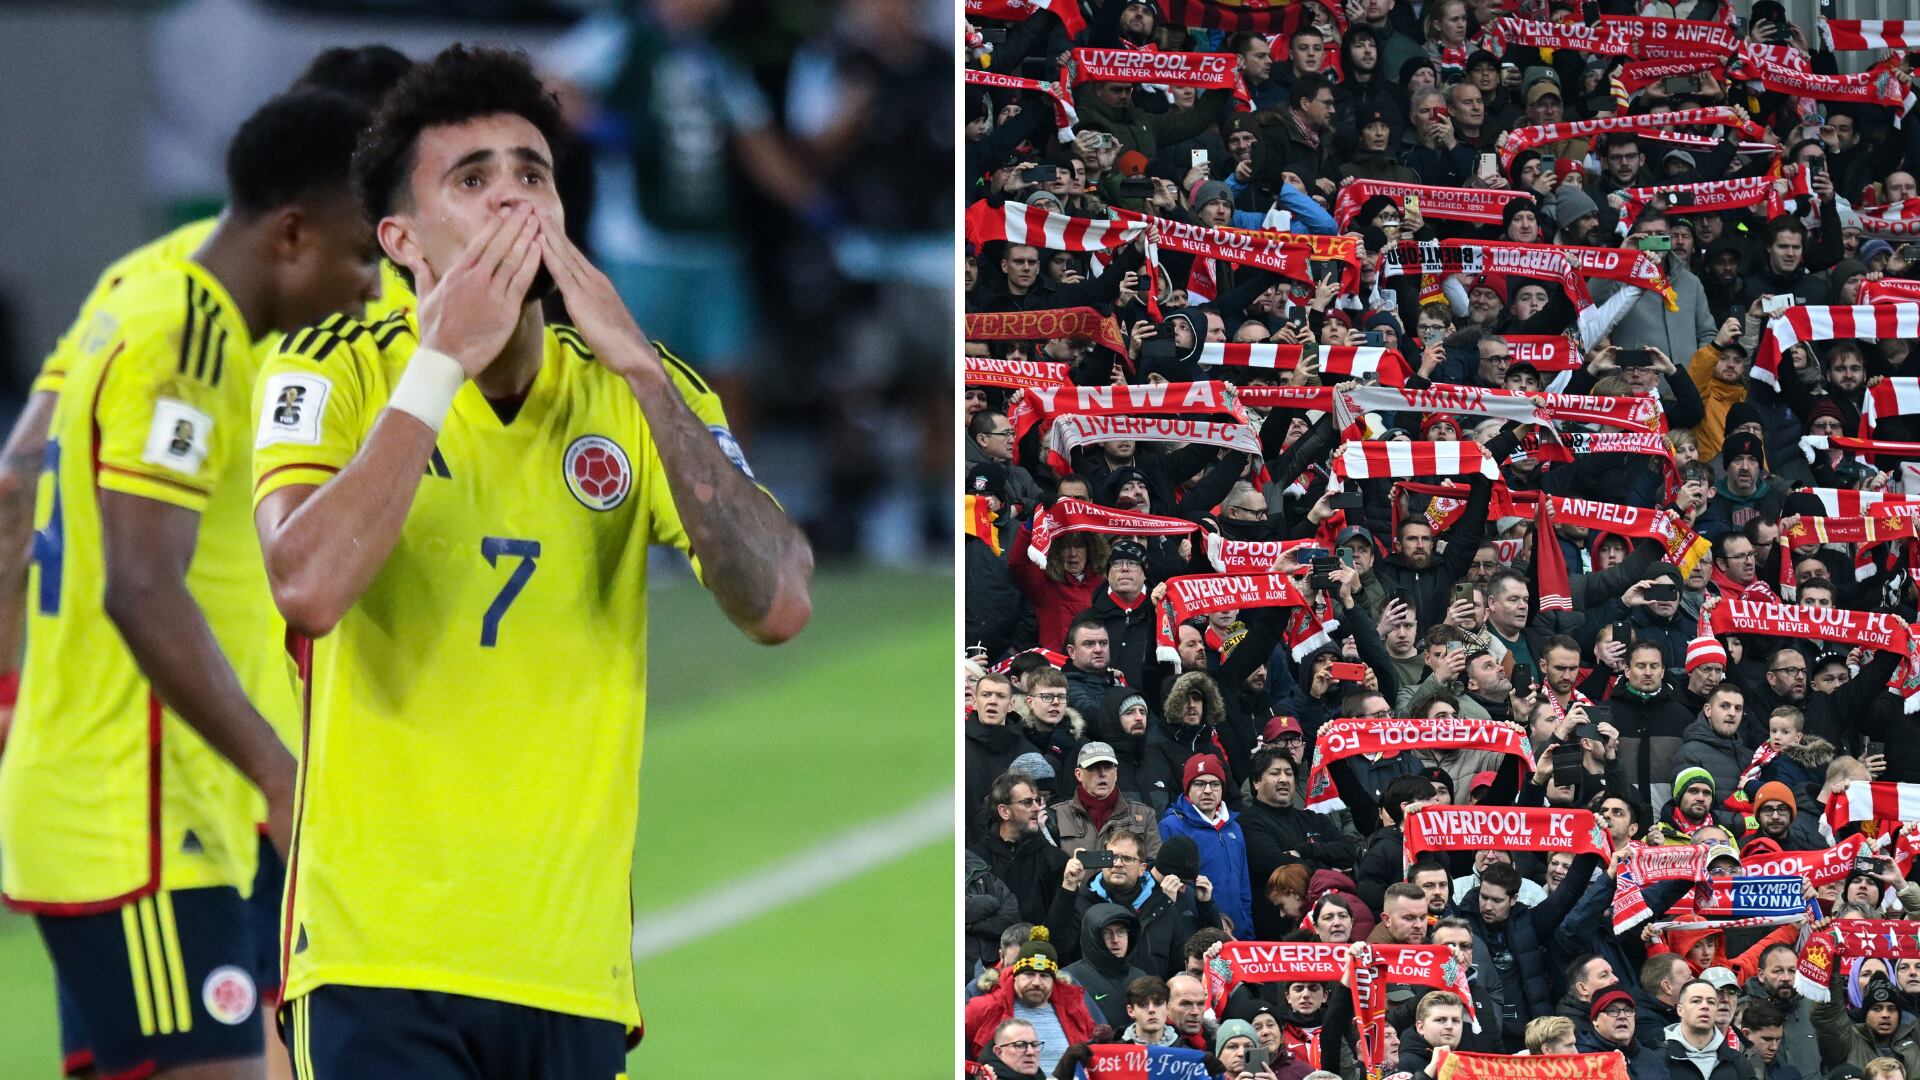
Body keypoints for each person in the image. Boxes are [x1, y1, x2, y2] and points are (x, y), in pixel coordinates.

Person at [0, 89, 382, 1080]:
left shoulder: (142, 293)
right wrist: (281, 773)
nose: (374, 288)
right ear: (292, 234)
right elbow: (142, 585)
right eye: (362, 256)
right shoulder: (188, 338)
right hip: (138, 826)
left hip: (135, 811)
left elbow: (18, 478)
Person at [965, 931, 1098, 1072]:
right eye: (1029, 974)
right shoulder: (982, 1009)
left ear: (1054, 980)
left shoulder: (1075, 1008)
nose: (1036, 982)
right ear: (1015, 975)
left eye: (1044, 976)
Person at [1158, 754, 1253, 937]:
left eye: (1215, 784)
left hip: (1237, 933)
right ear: (1188, 788)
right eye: (1200, 784)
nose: (1208, 790)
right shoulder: (1171, 825)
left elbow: (1244, 888)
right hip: (1198, 933)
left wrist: (1247, 932)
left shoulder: (1234, 827)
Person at [1666, 978, 1757, 1080]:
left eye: (1711, 1002)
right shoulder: (1660, 1058)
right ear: (1680, 1010)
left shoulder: (1738, 1061)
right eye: (1696, 1001)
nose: (1705, 1006)